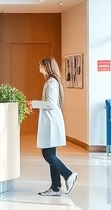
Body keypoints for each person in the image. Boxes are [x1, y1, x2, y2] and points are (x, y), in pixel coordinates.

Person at [29, 57, 77, 197]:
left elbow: (50, 104)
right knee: (51, 154)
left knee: (48, 154)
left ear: (47, 67)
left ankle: (69, 175)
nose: (39, 68)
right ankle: (55, 187)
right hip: (50, 122)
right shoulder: (51, 82)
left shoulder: (52, 84)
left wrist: (34, 103)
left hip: (52, 122)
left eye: (41, 65)